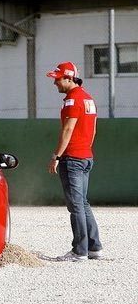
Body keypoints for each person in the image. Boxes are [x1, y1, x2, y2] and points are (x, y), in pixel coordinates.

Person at [46, 62, 102, 262]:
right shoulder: (89, 99)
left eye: (57, 79)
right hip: (86, 156)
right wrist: (85, 149)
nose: (55, 83)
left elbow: (68, 130)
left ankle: (79, 251)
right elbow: (93, 129)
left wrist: (57, 156)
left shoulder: (72, 100)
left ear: (69, 78)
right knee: (83, 203)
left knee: (75, 206)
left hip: (73, 159)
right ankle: (94, 247)